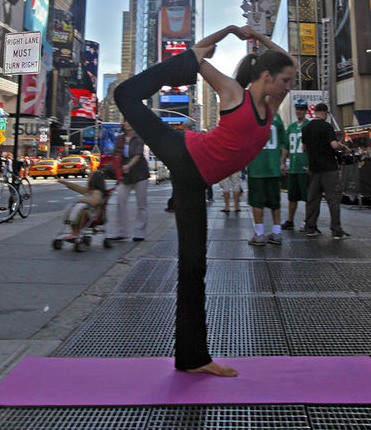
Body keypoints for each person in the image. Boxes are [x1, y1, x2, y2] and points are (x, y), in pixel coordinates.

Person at [114, 24, 295, 377]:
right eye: (284, 80)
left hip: (195, 182)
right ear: (266, 76)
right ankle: (194, 356)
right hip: (183, 155)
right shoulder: (232, 92)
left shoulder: (272, 104)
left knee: (194, 265)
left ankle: (193, 358)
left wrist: (257, 36)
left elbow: (288, 60)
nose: (289, 86)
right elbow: (197, 58)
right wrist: (228, 31)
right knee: (125, 94)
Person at [301, 102, 351, 239]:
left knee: (313, 199)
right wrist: (344, 147)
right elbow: (334, 145)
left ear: (314, 113)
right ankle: (336, 230)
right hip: (329, 168)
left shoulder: (306, 128)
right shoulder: (327, 126)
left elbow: (303, 147)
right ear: (325, 113)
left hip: (314, 168)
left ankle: (310, 228)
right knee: (333, 199)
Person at [247, 112, 287, 245]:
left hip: (257, 166)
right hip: (273, 166)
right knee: (275, 202)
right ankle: (277, 232)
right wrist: (281, 162)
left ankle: (259, 234)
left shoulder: (250, 115)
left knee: (257, 202)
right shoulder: (276, 116)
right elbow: (284, 143)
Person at [108, 120, 149, 242]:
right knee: (120, 201)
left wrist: (129, 166)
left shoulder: (139, 137)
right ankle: (122, 231)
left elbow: (137, 155)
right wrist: (106, 166)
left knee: (141, 204)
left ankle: (139, 233)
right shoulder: (120, 138)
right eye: (126, 122)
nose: (128, 124)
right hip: (125, 176)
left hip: (140, 174)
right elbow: (114, 154)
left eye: (130, 122)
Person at [282, 98, 310, 230]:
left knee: (307, 197)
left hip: (305, 167)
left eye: (302, 109)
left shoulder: (309, 126)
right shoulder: (291, 127)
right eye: (298, 109)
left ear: (306, 111)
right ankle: (290, 220)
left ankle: (308, 221)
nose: (299, 111)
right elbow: (286, 146)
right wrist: (282, 162)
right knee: (292, 196)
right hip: (293, 167)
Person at [57, 170, 108, 238]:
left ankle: (77, 232)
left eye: (90, 177)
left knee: (82, 212)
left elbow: (94, 201)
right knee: (73, 210)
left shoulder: (97, 192)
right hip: (88, 211)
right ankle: (75, 232)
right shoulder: (88, 190)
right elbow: (77, 187)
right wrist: (66, 183)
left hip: (94, 213)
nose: (88, 179)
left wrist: (82, 200)